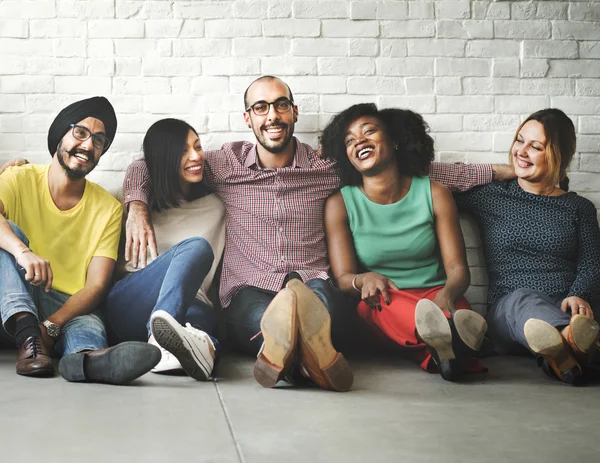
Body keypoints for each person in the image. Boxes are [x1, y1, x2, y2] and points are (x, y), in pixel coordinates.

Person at [123, 76, 507, 390]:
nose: (271, 115)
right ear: (248, 118)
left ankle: (287, 360)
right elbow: (148, 164)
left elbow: (414, 173)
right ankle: (311, 358)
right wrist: (136, 206)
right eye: (261, 108)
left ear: (294, 112)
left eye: (280, 105)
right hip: (249, 288)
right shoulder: (224, 165)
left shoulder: (326, 165)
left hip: (314, 281)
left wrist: (501, 172)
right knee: (270, 317)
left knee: (313, 304)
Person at [321, 104, 488, 381]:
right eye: (349, 140)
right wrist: (365, 279)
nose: (359, 141)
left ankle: (439, 351)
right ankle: (458, 342)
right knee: (390, 309)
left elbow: (458, 269)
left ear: (395, 140)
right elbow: (342, 278)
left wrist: (446, 296)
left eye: (369, 131)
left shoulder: (435, 193)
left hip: (438, 295)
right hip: (385, 299)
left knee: (454, 312)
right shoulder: (340, 203)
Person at [0, 97, 160, 384]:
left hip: (68, 306)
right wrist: (23, 252)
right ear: (60, 134)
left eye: (99, 140)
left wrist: (51, 325)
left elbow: (96, 285)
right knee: (7, 231)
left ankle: (87, 361)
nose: (88, 145)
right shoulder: (18, 178)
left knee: (87, 327)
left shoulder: (108, 207)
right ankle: (27, 336)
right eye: (80, 132)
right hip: (13, 298)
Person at [452, 108, 600, 384]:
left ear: (557, 156)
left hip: (566, 304)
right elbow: (427, 179)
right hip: (510, 309)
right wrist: (496, 171)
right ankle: (573, 340)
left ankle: (563, 357)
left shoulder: (578, 208)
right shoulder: (490, 196)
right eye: (519, 141)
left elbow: (592, 262)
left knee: (582, 314)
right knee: (523, 301)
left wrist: (579, 294)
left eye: (535, 147)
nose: (521, 151)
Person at [105, 119, 225, 381]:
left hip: (192, 304)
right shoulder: (129, 199)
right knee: (196, 248)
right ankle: (159, 338)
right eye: (183, 151)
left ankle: (201, 349)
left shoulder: (217, 206)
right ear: (163, 157)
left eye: (198, 147)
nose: (196, 156)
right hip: (131, 302)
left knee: (201, 323)